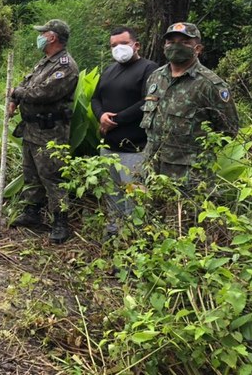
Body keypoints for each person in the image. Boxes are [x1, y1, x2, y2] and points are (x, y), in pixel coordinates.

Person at [141, 22, 239, 183]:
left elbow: (229, 130)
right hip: (151, 171)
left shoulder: (209, 84)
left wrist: (199, 156)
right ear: (164, 46)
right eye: (171, 42)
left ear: (198, 49)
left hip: (189, 178)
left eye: (185, 42)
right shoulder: (155, 78)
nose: (176, 46)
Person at [9, 19, 79, 244]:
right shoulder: (44, 63)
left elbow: (42, 93)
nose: (39, 37)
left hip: (50, 132)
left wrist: (16, 92)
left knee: (52, 176)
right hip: (31, 129)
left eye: (43, 33)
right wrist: (14, 98)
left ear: (52, 37)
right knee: (31, 173)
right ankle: (32, 212)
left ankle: (60, 222)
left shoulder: (66, 66)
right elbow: (26, 83)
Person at [91, 26, 158, 234]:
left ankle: (136, 237)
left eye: (123, 43)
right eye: (113, 45)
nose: (118, 48)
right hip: (108, 147)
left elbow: (147, 102)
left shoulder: (149, 69)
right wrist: (101, 116)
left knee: (135, 198)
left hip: (134, 148)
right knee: (112, 195)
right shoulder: (109, 70)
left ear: (136, 45)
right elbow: (95, 98)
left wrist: (116, 120)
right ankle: (115, 232)